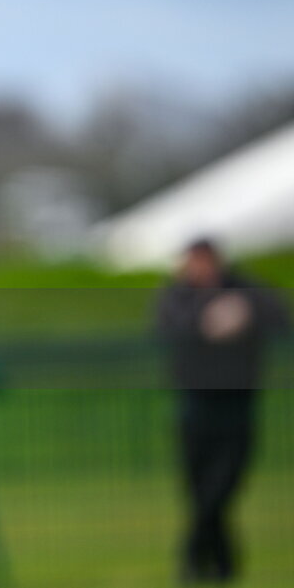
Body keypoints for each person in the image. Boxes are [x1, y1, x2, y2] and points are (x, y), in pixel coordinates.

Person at [156, 238, 289, 584]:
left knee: (222, 487)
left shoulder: (243, 290)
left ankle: (192, 558)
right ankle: (221, 564)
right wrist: (206, 318)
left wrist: (241, 310)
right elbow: (166, 329)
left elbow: (278, 315)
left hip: (237, 405)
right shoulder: (177, 297)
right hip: (195, 406)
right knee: (199, 489)